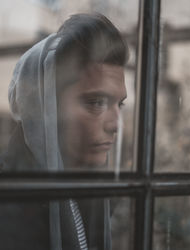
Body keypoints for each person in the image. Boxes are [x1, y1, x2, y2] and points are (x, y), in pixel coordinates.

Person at [0, 13, 128, 250]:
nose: (116, 125)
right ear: (45, 108)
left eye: (118, 104)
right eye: (96, 102)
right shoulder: (9, 210)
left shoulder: (99, 196)